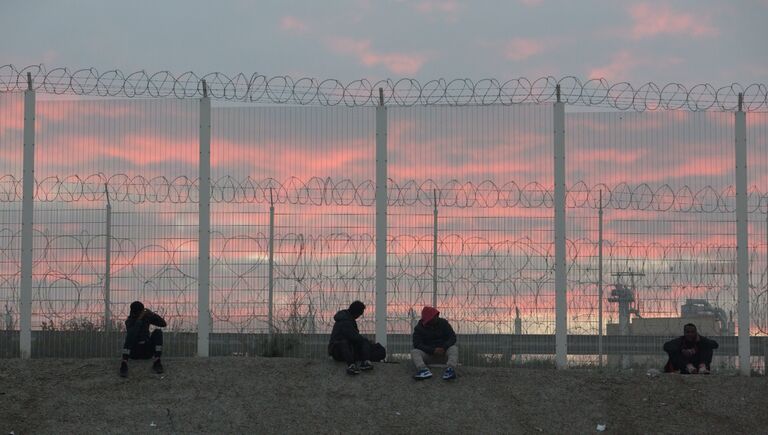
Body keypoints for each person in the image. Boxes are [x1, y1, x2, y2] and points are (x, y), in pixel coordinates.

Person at [120, 301, 167, 377]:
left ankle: (157, 361)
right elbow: (133, 333)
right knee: (129, 335)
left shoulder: (146, 318)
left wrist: (152, 314)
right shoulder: (129, 321)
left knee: (158, 332)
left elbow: (163, 324)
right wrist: (139, 319)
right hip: (134, 352)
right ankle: (124, 363)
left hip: (147, 351)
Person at [411, 306, 458, 380]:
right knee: (414, 352)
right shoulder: (419, 328)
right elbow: (417, 344)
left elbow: (453, 337)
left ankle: (450, 369)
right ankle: (423, 370)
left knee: (453, 348)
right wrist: (432, 350)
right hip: (428, 356)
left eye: (436, 316)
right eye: (432, 317)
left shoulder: (443, 323)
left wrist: (444, 347)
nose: (435, 318)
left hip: (443, 354)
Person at [328, 300, 374, 375]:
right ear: (356, 312)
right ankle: (352, 365)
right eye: (360, 314)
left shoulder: (348, 319)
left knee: (362, 342)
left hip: (345, 350)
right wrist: (367, 342)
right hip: (338, 351)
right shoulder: (345, 321)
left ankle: (365, 362)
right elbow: (354, 336)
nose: (359, 316)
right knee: (345, 343)